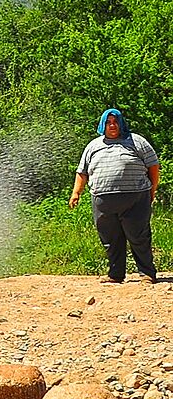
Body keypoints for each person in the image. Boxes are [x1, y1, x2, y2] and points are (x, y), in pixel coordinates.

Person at [69, 109, 160, 284]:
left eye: (115, 121)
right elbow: (82, 172)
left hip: (136, 198)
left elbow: (153, 166)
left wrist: (152, 190)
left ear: (121, 123)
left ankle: (147, 273)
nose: (112, 125)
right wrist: (76, 193)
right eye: (109, 122)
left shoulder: (137, 141)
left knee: (139, 236)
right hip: (103, 201)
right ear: (103, 125)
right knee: (110, 239)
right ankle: (115, 274)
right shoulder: (93, 146)